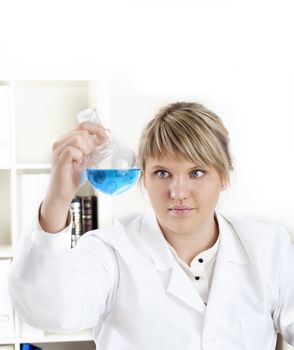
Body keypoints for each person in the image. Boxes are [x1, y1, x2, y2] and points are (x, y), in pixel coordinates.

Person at [8, 102, 294, 350]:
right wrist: (58, 198)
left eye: (196, 172)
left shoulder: (268, 245)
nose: (178, 191)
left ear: (224, 177)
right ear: (143, 178)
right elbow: (48, 310)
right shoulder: (110, 251)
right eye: (162, 173)